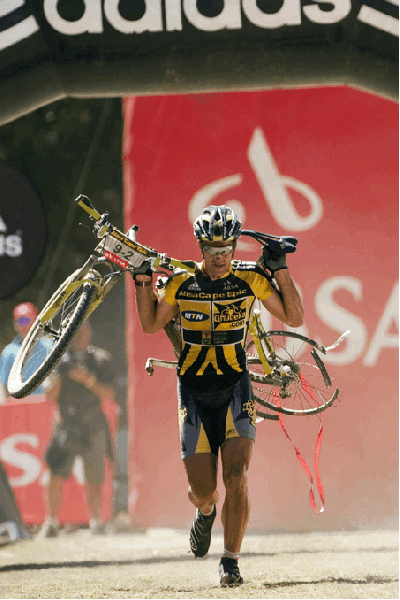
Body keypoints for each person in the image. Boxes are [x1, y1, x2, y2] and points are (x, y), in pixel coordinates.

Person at [132, 205, 304, 586]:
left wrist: (279, 269)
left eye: (227, 247)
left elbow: (293, 317)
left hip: (234, 388)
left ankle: (231, 560)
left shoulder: (249, 279)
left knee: (237, 474)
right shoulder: (181, 282)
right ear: (201, 246)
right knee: (204, 491)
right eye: (212, 248)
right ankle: (206, 513)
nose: (221, 256)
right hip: (193, 392)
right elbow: (150, 324)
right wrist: (142, 278)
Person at [38, 320, 117, 538]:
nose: (81, 336)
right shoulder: (58, 360)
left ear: (90, 332)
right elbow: (49, 397)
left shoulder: (100, 358)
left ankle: (95, 523)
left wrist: (88, 380)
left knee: (94, 478)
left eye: (84, 331)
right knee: (54, 475)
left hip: (92, 423)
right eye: (76, 332)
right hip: (64, 424)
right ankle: (51, 523)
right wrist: (61, 377)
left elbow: (110, 394)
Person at [0, 302, 47, 403]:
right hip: (21, 410)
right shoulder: (9, 353)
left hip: (47, 406)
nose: (23, 325)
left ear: (36, 320)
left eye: (26, 320)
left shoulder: (50, 346)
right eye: (20, 321)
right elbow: (2, 387)